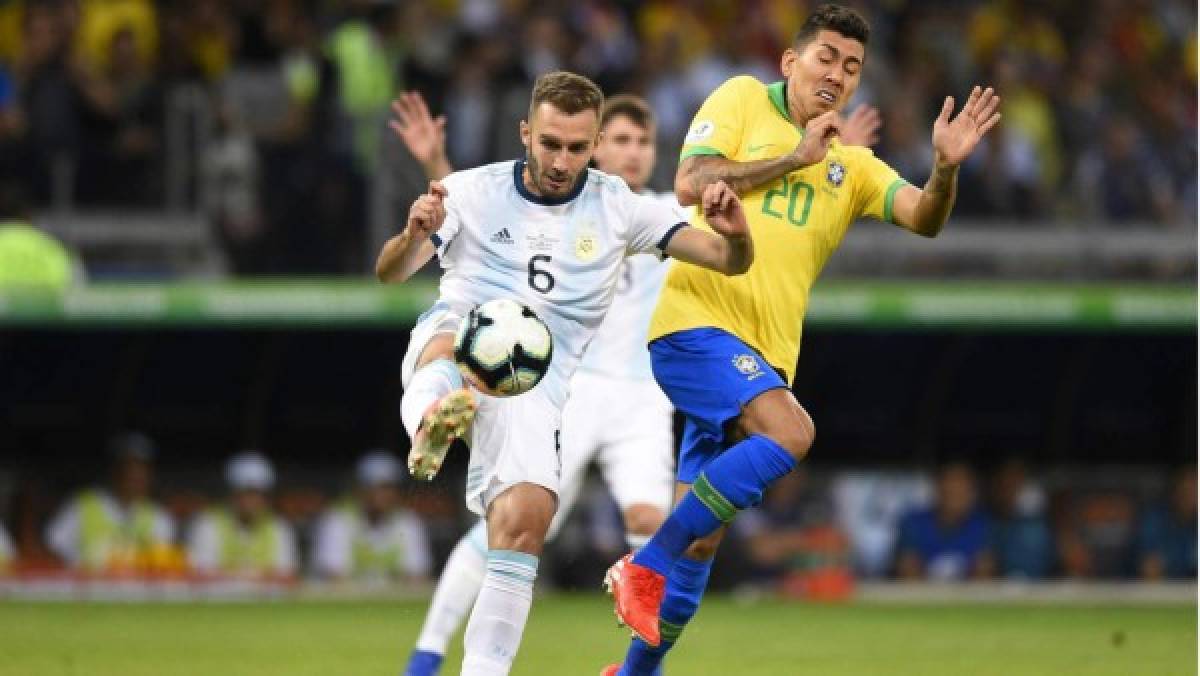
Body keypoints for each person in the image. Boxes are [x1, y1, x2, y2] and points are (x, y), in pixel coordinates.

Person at [604, 5, 1001, 673]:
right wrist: (793, 158)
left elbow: (923, 217)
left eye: (851, 67)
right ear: (791, 62)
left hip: (760, 361)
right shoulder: (739, 99)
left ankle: (634, 672)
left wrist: (945, 169)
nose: (837, 74)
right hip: (694, 327)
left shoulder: (853, 168)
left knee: (703, 540)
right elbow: (689, 183)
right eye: (826, 58)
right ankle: (643, 565)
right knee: (791, 433)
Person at [376, 70, 753, 675]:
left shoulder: (622, 206)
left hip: (540, 384)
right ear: (526, 131)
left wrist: (739, 239)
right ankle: (431, 419)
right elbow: (392, 272)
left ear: (594, 142)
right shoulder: (471, 191)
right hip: (472, 336)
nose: (562, 159)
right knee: (448, 343)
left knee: (524, 526)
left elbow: (724, 260)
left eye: (578, 147)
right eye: (550, 143)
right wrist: (411, 232)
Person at [45, 432, 174, 572]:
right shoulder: (80, 506)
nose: (135, 477)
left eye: (141, 470)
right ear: (114, 470)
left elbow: (164, 566)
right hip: (86, 589)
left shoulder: (158, 516)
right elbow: (52, 552)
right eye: (128, 468)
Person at [311, 450, 432, 583]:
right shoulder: (337, 520)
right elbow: (334, 578)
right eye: (377, 487)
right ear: (361, 489)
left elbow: (417, 577)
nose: (384, 495)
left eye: (389, 488)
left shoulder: (409, 522)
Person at [187, 451, 296, 579]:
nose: (251, 500)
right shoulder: (207, 524)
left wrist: (236, 574)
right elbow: (201, 572)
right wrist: (256, 575)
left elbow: (285, 575)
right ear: (231, 492)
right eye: (245, 492)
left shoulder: (279, 527)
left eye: (257, 493)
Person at [894, 462, 994, 580]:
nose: (954, 491)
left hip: (967, 597)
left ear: (971, 492)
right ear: (937, 488)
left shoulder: (981, 525)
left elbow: (984, 575)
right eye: (949, 486)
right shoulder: (913, 523)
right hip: (923, 596)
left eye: (961, 487)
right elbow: (908, 573)